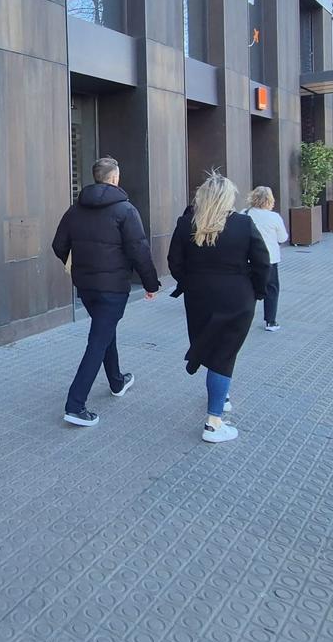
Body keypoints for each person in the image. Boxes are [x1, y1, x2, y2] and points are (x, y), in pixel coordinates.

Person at [52, 157, 160, 427]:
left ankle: (116, 381)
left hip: (86, 287)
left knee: (104, 331)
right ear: (114, 179)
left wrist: (79, 265)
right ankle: (75, 405)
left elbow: (58, 244)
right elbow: (139, 250)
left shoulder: (74, 210)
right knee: (98, 340)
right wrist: (150, 284)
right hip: (113, 289)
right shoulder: (125, 210)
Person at [168, 173, 269, 444]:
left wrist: (189, 283)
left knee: (215, 349)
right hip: (237, 297)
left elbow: (173, 262)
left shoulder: (186, 224)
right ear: (227, 198)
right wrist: (258, 291)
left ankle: (221, 395)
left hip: (199, 297)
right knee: (224, 354)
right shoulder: (243, 224)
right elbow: (262, 263)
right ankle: (213, 423)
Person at [242, 186, 288, 332]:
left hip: (247, 259)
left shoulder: (244, 213)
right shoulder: (274, 217)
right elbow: (283, 237)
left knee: (248, 289)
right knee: (271, 289)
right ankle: (271, 321)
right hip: (270, 259)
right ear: (270, 200)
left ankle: (244, 319)